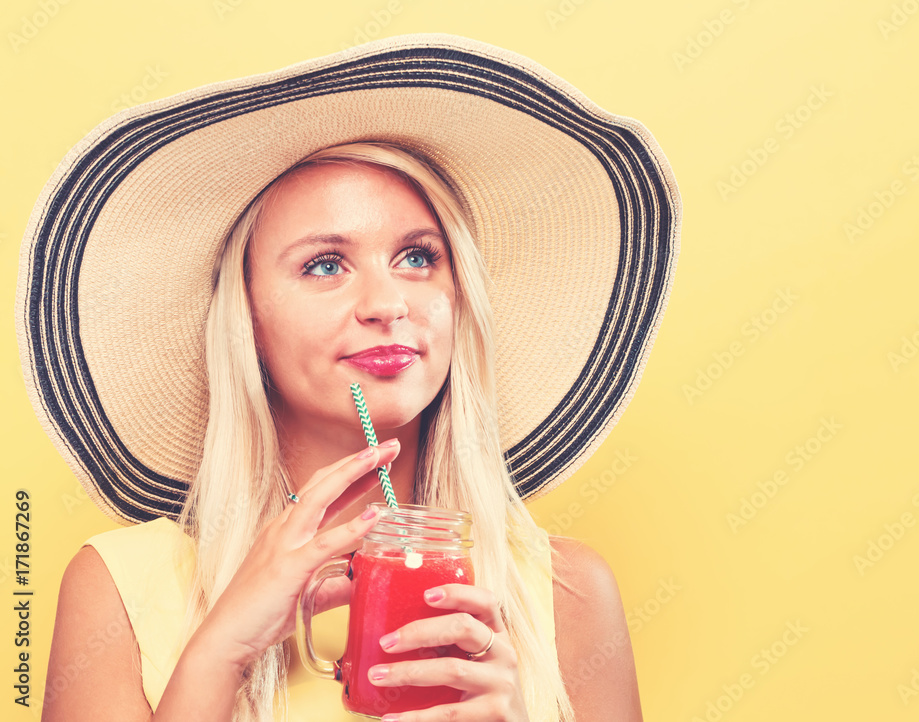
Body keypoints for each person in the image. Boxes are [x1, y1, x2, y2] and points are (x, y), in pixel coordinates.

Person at [16, 34, 680, 722]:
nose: (388, 303)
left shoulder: (566, 593)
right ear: (245, 317)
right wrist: (219, 656)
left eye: (419, 256)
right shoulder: (120, 587)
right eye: (325, 265)